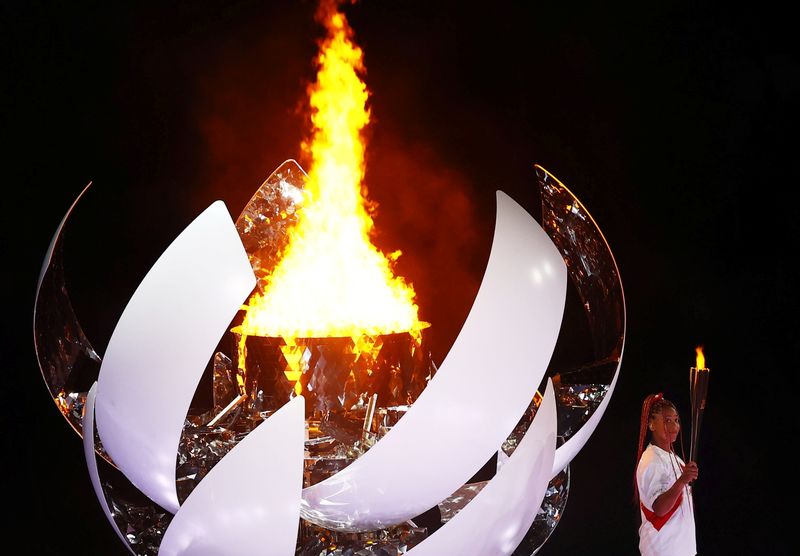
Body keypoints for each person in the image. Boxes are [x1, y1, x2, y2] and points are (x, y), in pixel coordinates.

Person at [635, 393, 699, 555]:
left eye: (676, 420)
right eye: (667, 421)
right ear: (651, 424)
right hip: (662, 550)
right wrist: (682, 480)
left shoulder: (675, 459)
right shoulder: (651, 459)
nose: (674, 426)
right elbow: (660, 509)